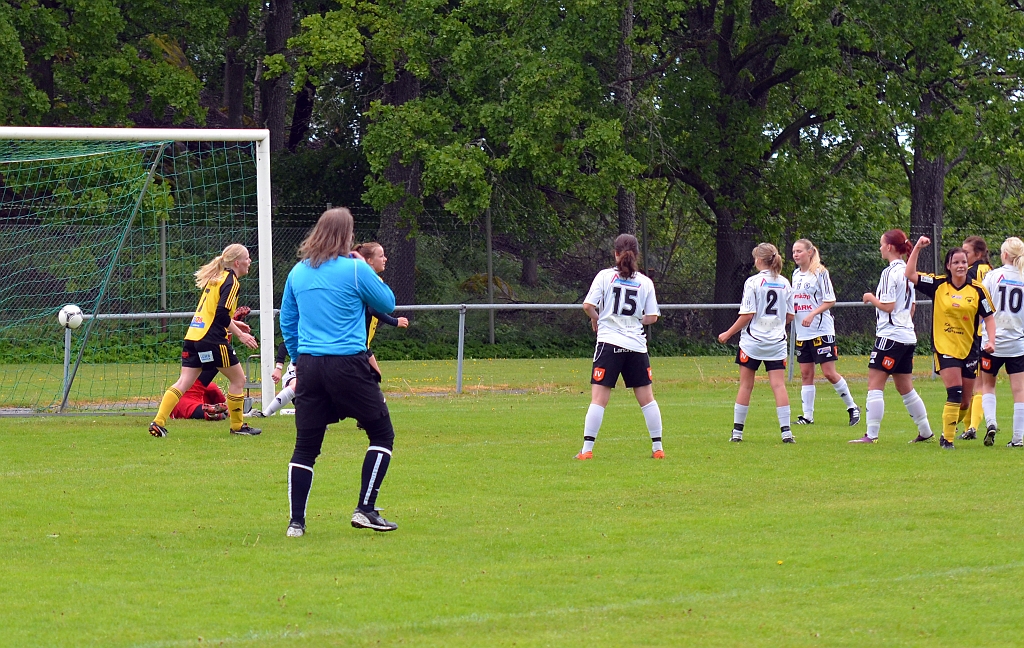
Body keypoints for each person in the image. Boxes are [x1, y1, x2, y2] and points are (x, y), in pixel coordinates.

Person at [279, 207, 400, 537]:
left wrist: (298, 360)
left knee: (305, 447)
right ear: (347, 235)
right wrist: (363, 266)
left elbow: (287, 321)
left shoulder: (298, 272)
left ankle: (296, 523)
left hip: (310, 365)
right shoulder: (355, 269)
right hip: (348, 363)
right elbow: (387, 303)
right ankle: (365, 509)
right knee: (382, 434)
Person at [149, 244, 260, 437]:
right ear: (237, 262)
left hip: (193, 337)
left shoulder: (216, 278)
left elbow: (213, 313)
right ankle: (237, 426)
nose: (249, 261)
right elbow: (221, 314)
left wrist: (234, 323)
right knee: (238, 379)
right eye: (247, 258)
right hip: (212, 339)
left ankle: (158, 422)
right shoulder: (232, 281)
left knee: (183, 382)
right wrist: (240, 334)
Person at [575, 233, 662, 460]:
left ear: (615, 254)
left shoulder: (605, 276)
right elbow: (652, 317)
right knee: (647, 399)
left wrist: (597, 318)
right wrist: (635, 320)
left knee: (598, 399)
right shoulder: (645, 282)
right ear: (637, 255)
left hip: (609, 343)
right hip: (636, 346)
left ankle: (587, 450)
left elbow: (588, 305)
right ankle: (658, 448)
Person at [905, 236, 995, 449]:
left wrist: (991, 340)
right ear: (948, 266)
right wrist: (917, 247)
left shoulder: (977, 290)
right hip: (945, 347)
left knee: (965, 402)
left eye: (963, 261)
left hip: (970, 349)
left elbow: (990, 317)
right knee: (954, 392)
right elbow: (910, 274)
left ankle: (950, 427)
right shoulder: (938, 285)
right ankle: (947, 439)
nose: (961, 265)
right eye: (956, 262)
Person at [850, 229, 934, 444]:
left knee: (874, 384)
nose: (880, 248)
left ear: (889, 247)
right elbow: (912, 308)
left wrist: (870, 297)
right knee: (905, 387)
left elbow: (888, 306)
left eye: (881, 244)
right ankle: (925, 431)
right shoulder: (908, 271)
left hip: (890, 336)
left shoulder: (890, 272)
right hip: (907, 336)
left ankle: (871, 435)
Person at [718, 243, 795, 443]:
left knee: (746, 386)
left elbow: (747, 315)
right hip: (777, 342)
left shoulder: (753, 282)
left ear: (760, 260)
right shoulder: (785, 283)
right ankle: (786, 433)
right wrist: (774, 325)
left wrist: (728, 333)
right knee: (779, 385)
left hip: (753, 342)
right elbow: (790, 315)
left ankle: (737, 433)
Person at [790, 239, 860, 426]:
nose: (796, 254)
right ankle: (807, 416)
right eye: (794, 251)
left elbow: (830, 300)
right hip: (802, 332)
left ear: (809, 252)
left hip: (821, 331)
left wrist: (812, 314)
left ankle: (852, 407)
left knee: (829, 373)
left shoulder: (820, 272)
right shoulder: (795, 274)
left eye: (799, 251)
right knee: (806, 374)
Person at [977, 237, 1024, 447]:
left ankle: (991, 422)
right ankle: (1018, 438)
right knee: (1019, 391)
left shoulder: (993, 276)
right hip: (1017, 343)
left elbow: (981, 305)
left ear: (1004, 255)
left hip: (992, 342)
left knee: (988, 385)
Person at [353, 242, 409, 376]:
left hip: (362, 344)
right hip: (357, 345)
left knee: (373, 377)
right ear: (369, 261)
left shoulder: (360, 278)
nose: (385, 259)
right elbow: (373, 309)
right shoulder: (370, 281)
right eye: (381, 256)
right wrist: (395, 321)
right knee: (372, 378)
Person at [959, 235, 994, 440]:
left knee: (974, 383)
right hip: (990, 331)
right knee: (978, 382)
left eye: (967, 252)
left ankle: (970, 427)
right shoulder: (991, 271)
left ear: (978, 254)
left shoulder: (970, 273)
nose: (963, 257)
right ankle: (970, 427)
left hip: (974, 332)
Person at [247, 341, 297, 418]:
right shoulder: (302, 338)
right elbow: (285, 345)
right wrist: (278, 368)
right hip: (295, 376)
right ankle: (265, 414)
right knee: (297, 385)